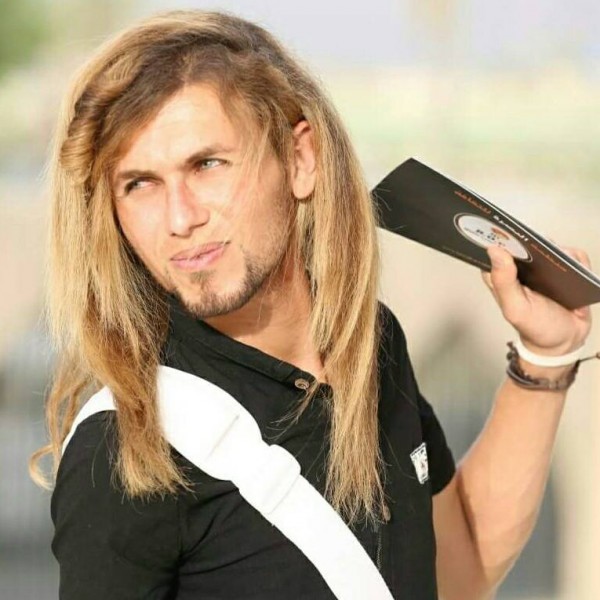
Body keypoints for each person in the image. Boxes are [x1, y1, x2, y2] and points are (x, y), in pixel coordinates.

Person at [30, 9, 595, 600]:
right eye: (139, 183)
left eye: (208, 164)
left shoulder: (370, 344)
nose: (179, 218)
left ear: (301, 159)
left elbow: (457, 572)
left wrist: (546, 355)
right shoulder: (127, 447)